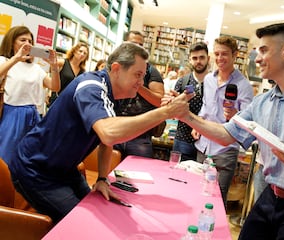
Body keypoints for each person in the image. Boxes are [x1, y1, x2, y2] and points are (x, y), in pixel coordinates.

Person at [163, 22, 284, 239]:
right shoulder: (263, 101)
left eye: (264, 50)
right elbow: (226, 134)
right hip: (270, 198)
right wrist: (185, 115)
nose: (256, 58)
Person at [8, 42, 190, 224]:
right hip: (35, 170)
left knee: (101, 210)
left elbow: (107, 141)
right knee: (82, 223)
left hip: (63, 169)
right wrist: (166, 112)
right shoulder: (91, 86)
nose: (141, 83)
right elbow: (109, 133)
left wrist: (102, 178)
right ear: (117, 69)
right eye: (138, 75)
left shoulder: (115, 95)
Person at [192, 36, 253, 207]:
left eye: (224, 54)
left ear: (235, 55)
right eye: (217, 54)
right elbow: (205, 106)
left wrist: (235, 114)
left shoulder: (244, 85)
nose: (219, 58)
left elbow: (248, 120)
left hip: (225, 150)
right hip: (203, 146)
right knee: (198, 193)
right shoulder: (209, 80)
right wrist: (199, 123)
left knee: (217, 200)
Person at [0, 26, 60, 164]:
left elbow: (55, 86)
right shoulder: (5, 61)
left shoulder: (36, 68)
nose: (27, 43)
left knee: (28, 157)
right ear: (12, 42)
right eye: (22, 40)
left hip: (34, 114)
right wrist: (16, 58)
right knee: (6, 155)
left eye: (30, 40)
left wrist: (54, 67)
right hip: (12, 114)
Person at [113, 30, 164, 159]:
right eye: (134, 44)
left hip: (139, 135)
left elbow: (160, 101)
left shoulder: (151, 71)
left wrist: (137, 84)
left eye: (141, 45)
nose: (138, 48)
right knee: (106, 173)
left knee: (139, 174)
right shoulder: (115, 67)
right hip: (114, 130)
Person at [173, 42, 210, 161]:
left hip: (207, 142)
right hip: (183, 139)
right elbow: (172, 110)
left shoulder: (215, 84)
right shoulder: (182, 82)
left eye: (202, 57)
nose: (198, 61)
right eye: (195, 58)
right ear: (190, 59)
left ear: (208, 58)